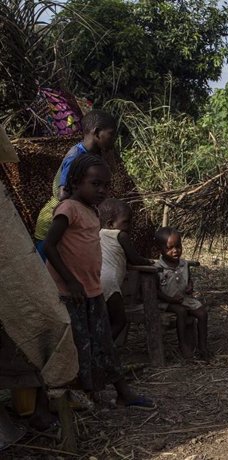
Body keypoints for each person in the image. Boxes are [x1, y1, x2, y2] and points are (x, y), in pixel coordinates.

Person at [43, 154, 155, 409]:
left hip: (92, 290)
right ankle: (77, 396)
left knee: (103, 342)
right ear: (76, 181)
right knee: (76, 347)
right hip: (70, 293)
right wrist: (71, 281)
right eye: (95, 184)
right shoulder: (68, 208)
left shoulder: (92, 210)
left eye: (105, 185)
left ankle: (121, 392)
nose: (102, 190)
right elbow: (49, 246)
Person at [34, 110, 117, 261]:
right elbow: (62, 194)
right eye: (111, 134)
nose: (114, 140)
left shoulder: (94, 157)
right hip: (53, 221)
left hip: (68, 221)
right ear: (97, 133)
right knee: (42, 273)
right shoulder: (75, 156)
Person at [98, 198, 153, 342]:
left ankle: (101, 348)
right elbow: (135, 259)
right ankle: (105, 349)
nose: (130, 226)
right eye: (126, 222)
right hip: (110, 283)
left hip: (96, 280)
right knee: (119, 321)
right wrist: (149, 261)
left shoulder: (98, 234)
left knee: (103, 319)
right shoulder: (120, 235)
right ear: (111, 224)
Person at [154, 227, 210, 361]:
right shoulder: (157, 269)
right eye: (170, 248)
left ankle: (203, 346)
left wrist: (190, 287)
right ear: (160, 250)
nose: (175, 251)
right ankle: (183, 345)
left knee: (202, 313)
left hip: (183, 298)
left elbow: (188, 280)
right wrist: (170, 300)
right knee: (181, 312)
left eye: (178, 246)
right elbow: (155, 292)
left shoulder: (184, 264)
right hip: (166, 301)